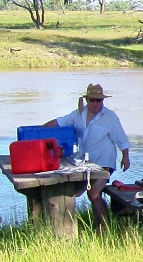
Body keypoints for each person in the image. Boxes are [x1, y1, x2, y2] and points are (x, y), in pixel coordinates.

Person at [45, 83, 130, 230]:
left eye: (99, 100)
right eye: (93, 100)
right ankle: (68, 226)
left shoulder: (110, 117)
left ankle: (104, 228)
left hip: (105, 161)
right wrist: (38, 130)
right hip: (85, 162)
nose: (96, 103)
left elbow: (121, 139)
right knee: (72, 191)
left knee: (94, 193)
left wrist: (125, 157)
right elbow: (59, 122)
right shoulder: (78, 114)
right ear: (87, 99)